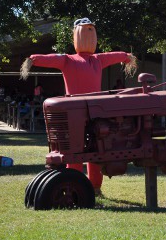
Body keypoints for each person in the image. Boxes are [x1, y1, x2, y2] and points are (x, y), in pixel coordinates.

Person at [20, 17, 137, 196]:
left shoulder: (91, 59)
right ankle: (81, 185)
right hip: (80, 112)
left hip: (91, 112)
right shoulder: (73, 60)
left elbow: (113, 56)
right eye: (86, 32)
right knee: (78, 150)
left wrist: (125, 57)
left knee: (93, 150)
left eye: (92, 32)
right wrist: (33, 59)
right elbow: (51, 59)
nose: (90, 37)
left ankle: (93, 187)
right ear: (76, 36)